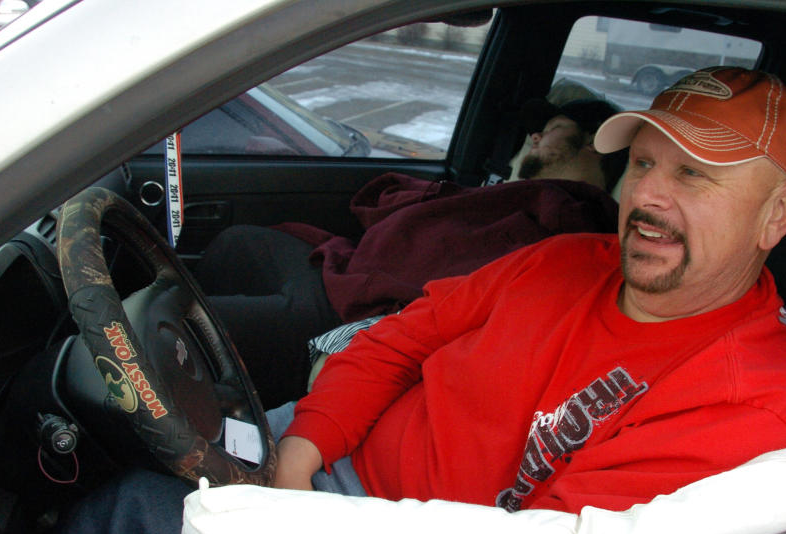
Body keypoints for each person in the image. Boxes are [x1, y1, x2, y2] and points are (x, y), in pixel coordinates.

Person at [38, 67, 786, 534]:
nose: (648, 198)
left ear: (780, 213)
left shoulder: (755, 408)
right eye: (642, 165)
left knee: (127, 519)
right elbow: (397, 340)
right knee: (114, 439)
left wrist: (303, 517)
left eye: (693, 175)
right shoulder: (566, 259)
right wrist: (304, 450)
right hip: (320, 459)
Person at [194, 97, 627, 408]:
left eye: (551, 129)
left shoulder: (575, 220)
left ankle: (214, 404)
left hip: (365, 315)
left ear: (591, 143)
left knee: (184, 328)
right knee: (239, 242)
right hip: (349, 272)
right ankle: (235, 398)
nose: (534, 136)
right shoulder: (519, 194)